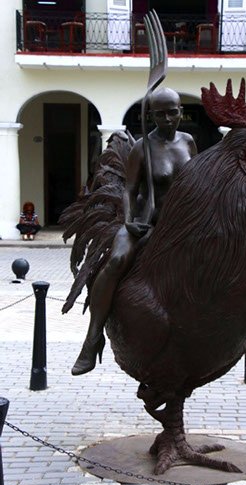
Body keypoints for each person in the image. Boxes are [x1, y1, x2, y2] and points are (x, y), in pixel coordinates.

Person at [71, 87, 197, 375]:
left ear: (181, 111)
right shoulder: (142, 147)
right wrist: (130, 221)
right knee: (116, 261)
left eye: (173, 112)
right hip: (145, 220)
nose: (168, 119)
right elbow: (129, 189)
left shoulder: (188, 142)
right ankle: (92, 339)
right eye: (161, 113)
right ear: (151, 115)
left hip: (181, 223)